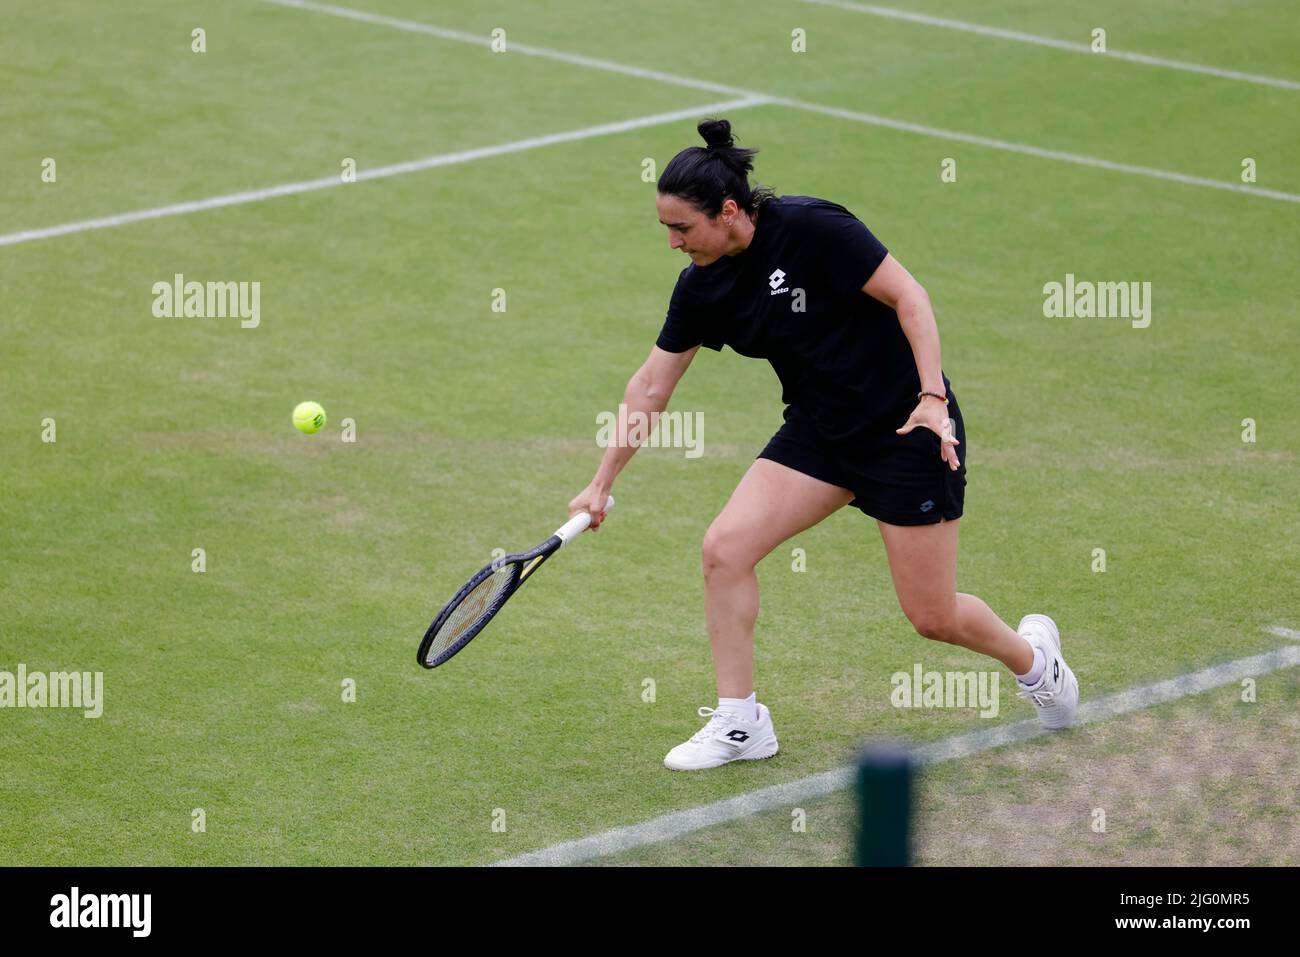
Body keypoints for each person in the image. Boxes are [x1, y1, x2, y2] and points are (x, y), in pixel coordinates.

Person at [568, 118, 1079, 771]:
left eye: (682, 228)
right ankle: (741, 720)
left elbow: (909, 297)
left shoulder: (814, 230)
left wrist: (931, 399)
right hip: (819, 432)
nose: (672, 242)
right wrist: (602, 479)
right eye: (665, 229)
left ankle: (1035, 663)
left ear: (728, 212)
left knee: (931, 614)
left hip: (905, 429)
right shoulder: (703, 283)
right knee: (724, 550)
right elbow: (650, 385)